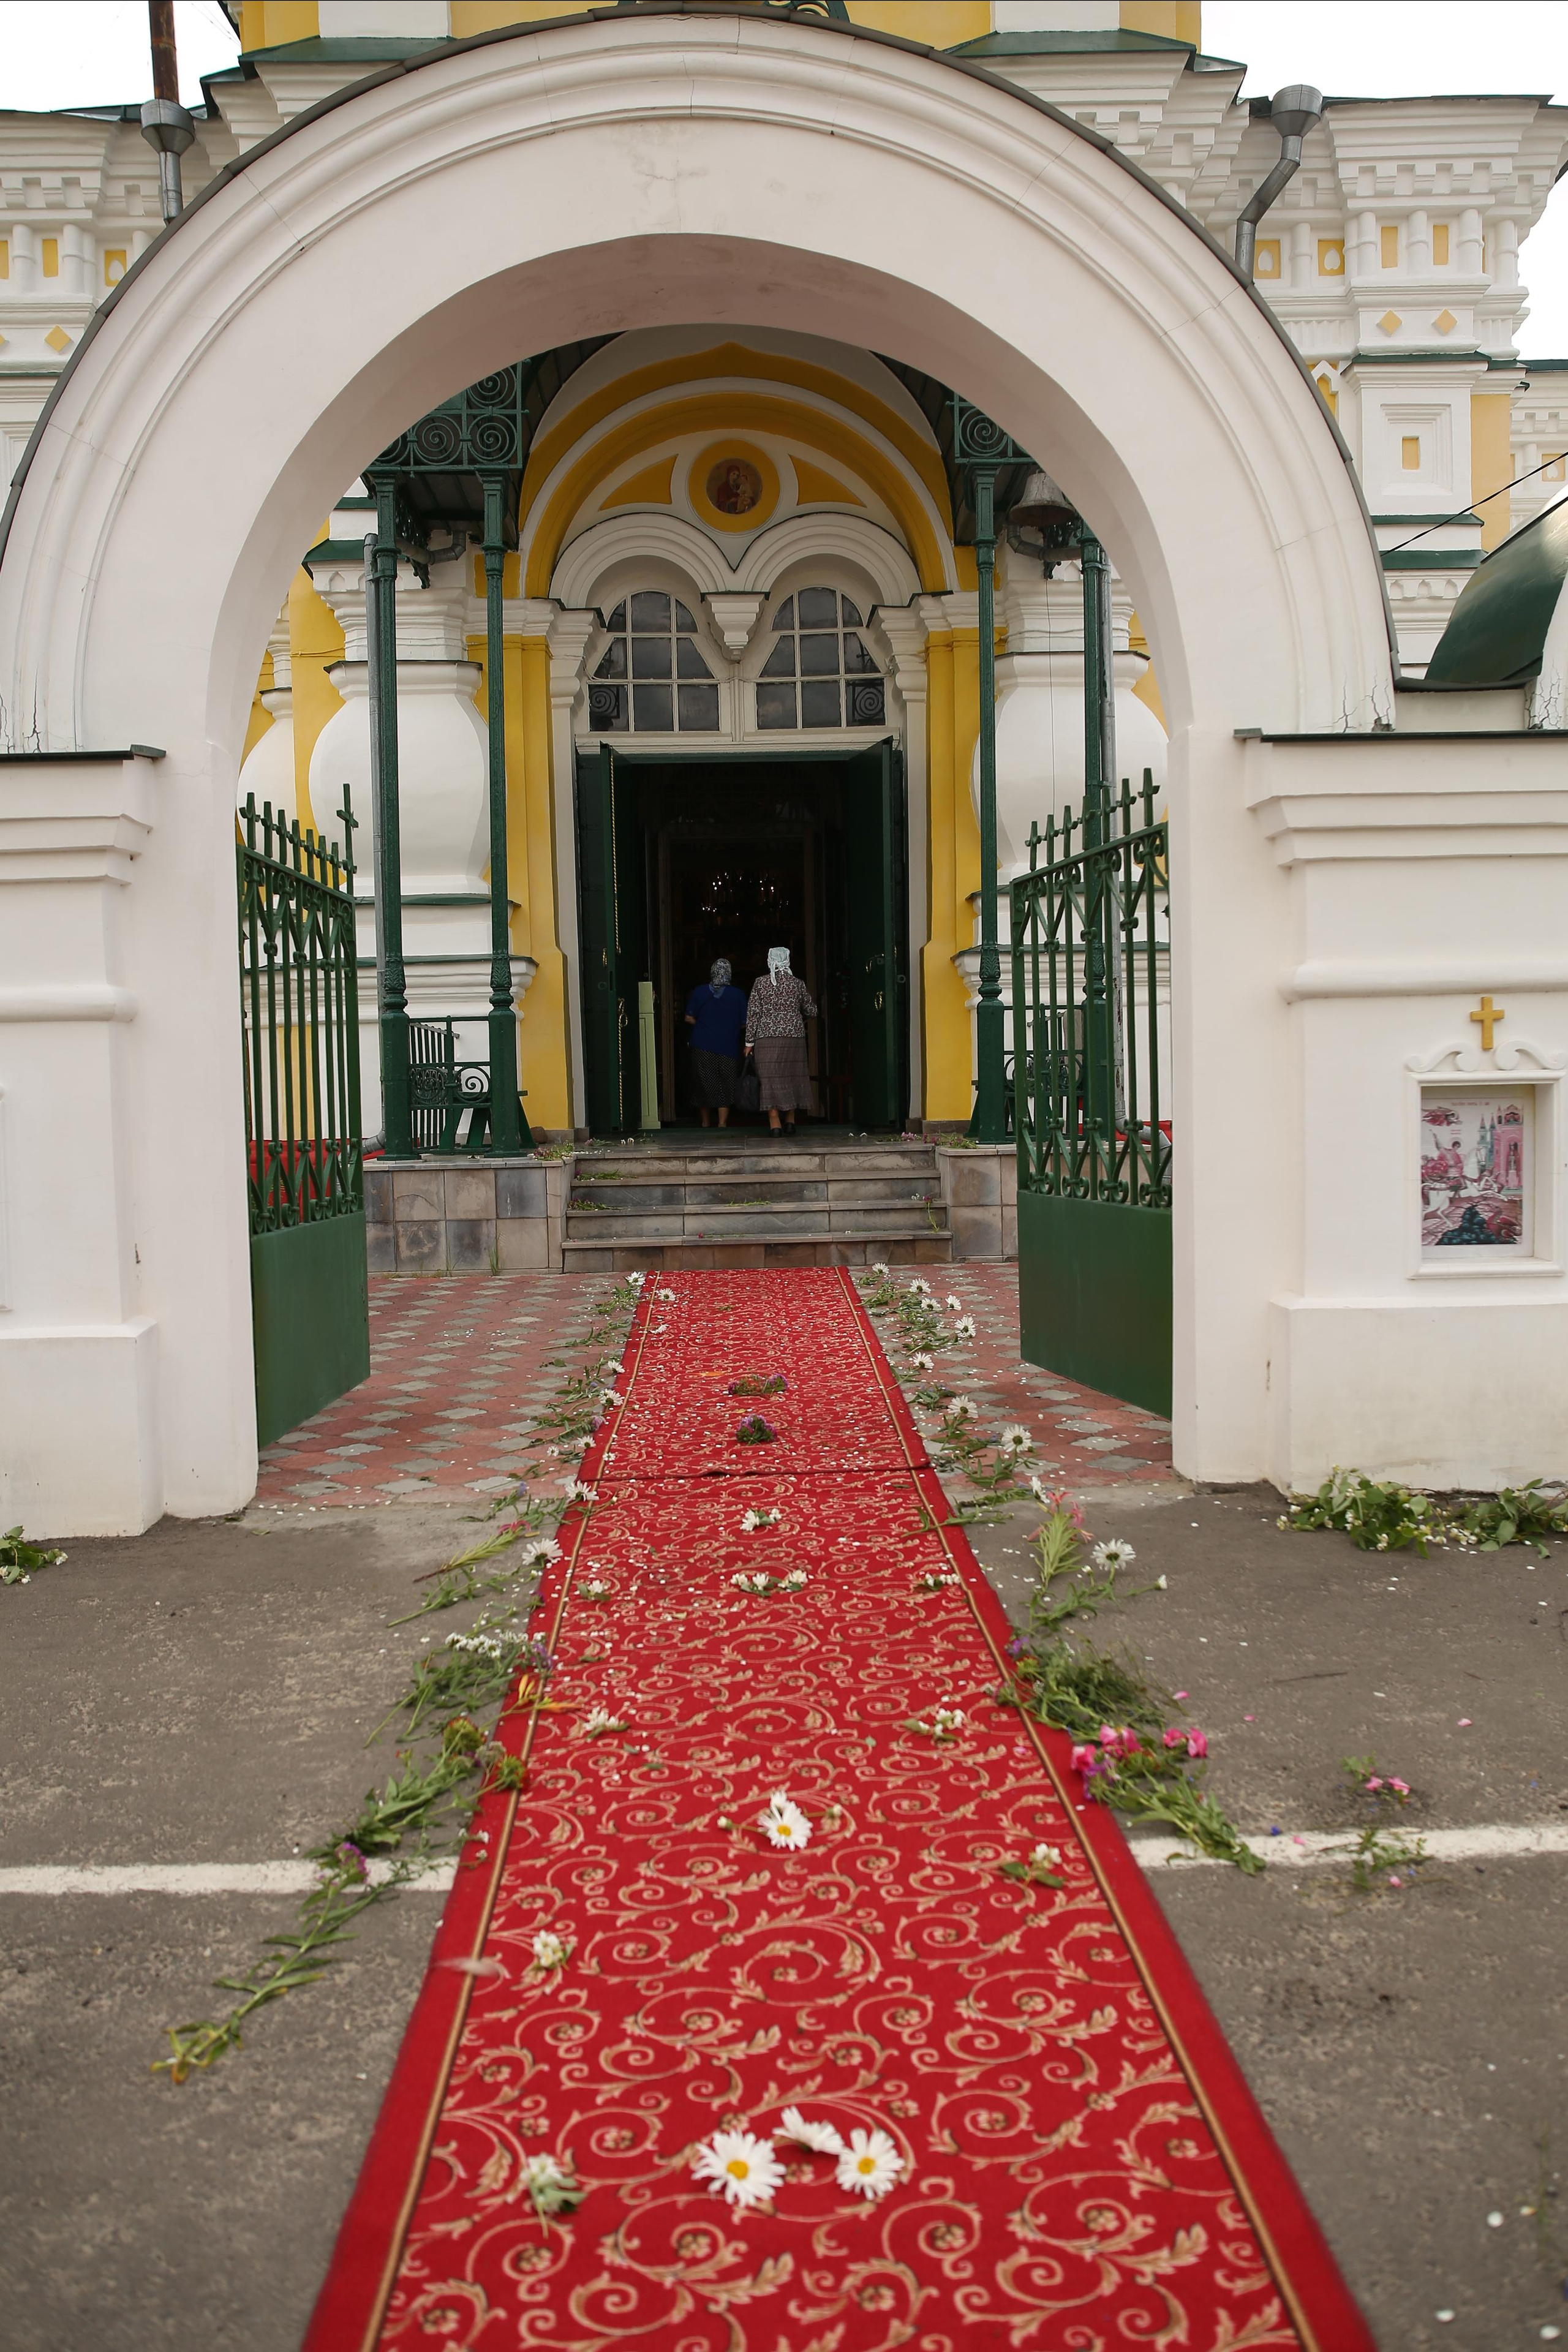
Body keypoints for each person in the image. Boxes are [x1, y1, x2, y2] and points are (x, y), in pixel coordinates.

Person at [745, 946, 817, 1136]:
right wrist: (797, 1017)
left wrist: (748, 1043)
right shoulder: (797, 984)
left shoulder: (760, 983)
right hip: (794, 1039)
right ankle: (791, 1121)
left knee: (770, 1080)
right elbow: (812, 1011)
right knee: (792, 1077)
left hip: (766, 1038)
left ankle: (775, 1124)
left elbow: (753, 1015)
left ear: (770, 961)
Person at [683, 957, 748, 1128]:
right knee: (726, 1084)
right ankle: (722, 1124)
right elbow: (745, 1023)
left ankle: (705, 1123)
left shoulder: (699, 992)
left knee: (703, 1084)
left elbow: (689, 1017)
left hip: (702, 1045)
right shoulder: (738, 994)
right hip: (728, 1046)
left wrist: (704, 1026)